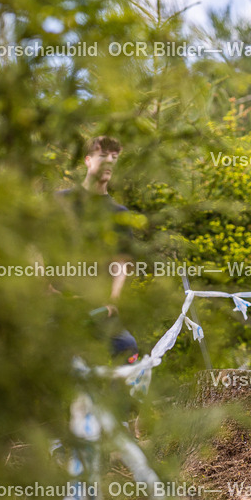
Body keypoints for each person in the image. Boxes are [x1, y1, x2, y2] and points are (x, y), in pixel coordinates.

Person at [56, 136, 140, 364]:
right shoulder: (60, 202)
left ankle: (116, 399)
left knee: (127, 347)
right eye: (103, 156)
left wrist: (113, 301)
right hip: (57, 305)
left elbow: (121, 264)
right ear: (87, 160)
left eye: (114, 157)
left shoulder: (118, 213)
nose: (109, 162)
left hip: (98, 309)